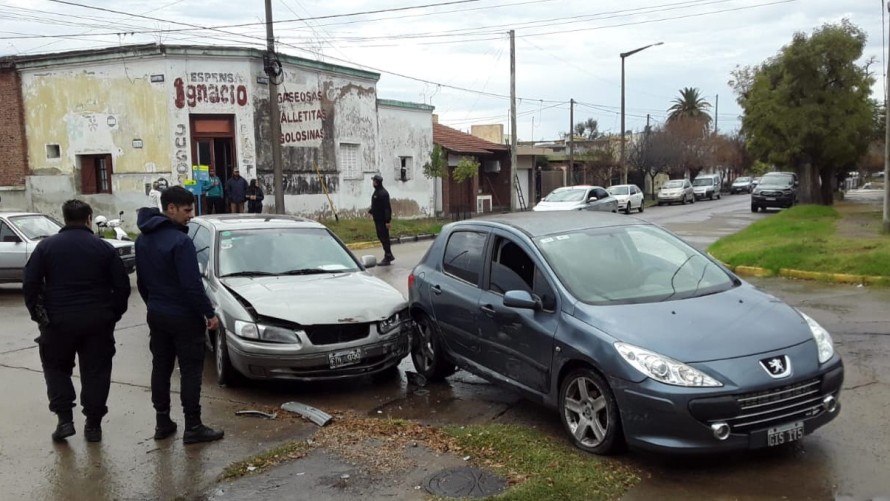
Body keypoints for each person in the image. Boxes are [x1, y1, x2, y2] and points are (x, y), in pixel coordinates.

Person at [23, 199, 131, 443]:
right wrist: (113, 314)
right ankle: (93, 424)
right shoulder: (103, 248)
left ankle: (65, 420)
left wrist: (39, 316)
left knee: (56, 369)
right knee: (96, 372)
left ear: (64, 218)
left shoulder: (46, 247)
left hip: (57, 321)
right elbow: (122, 286)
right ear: (89, 218)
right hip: (98, 322)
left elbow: (30, 284)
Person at [135, 186, 224, 445]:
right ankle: (193, 425)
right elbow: (191, 285)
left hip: (157, 314)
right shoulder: (181, 241)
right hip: (184, 317)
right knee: (190, 370)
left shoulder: (142, 239)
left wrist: (153, 305)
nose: (190, 216)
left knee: (161, 368)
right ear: (170, 208)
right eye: (186, 210)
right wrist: (208, 313)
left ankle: (162, 422)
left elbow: (141, 282)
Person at [369, 173, 394, 265]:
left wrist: (387, 221)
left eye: (374, 181)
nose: (372, 183)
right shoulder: (377, 192)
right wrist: (372, 211)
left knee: (384, 238)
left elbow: (387, 208)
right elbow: (377, 205)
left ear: (377, 182)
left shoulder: (383, 193)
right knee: (381, 237)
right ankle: (389, 255)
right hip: (377, 219)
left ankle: (388, 256)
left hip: (382, 220)